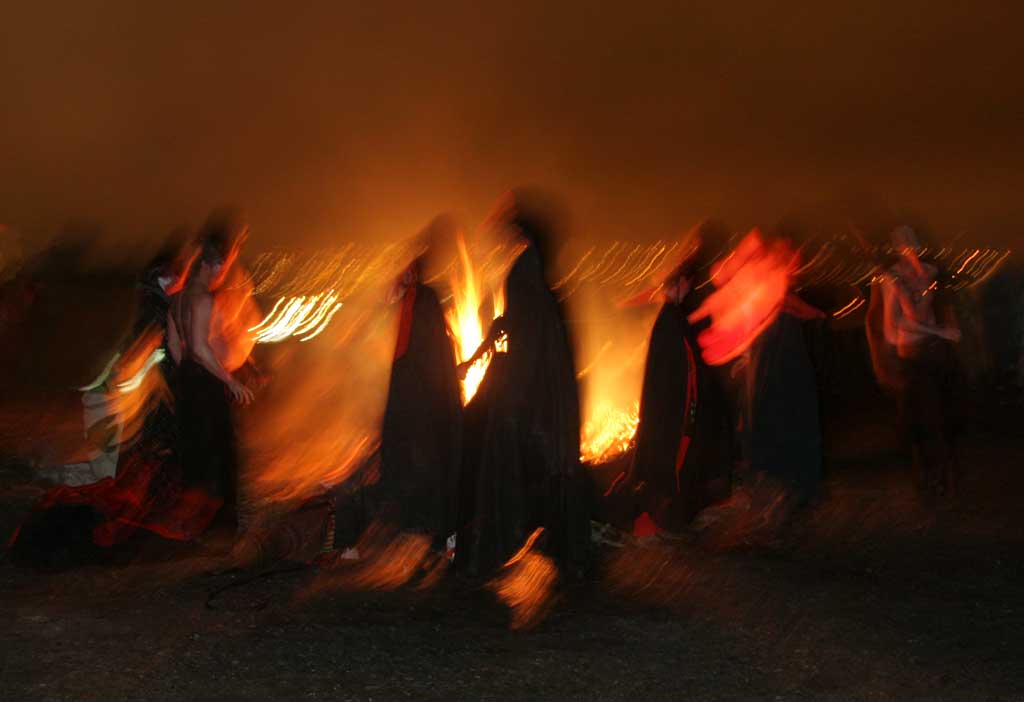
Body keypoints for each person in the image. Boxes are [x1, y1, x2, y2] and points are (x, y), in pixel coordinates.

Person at [455, 191, 588, 577]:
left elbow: (513, 326)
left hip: (524, 387)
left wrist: (485, 365)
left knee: (511, 455)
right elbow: (506, 324)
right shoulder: (535, 275)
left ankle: (512, 539)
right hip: (525, 383)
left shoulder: (527, 272)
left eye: (509, 231)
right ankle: (533, 538)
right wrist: (475, 359)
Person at [609, 241, 733, 536]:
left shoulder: (672, 317)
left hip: (670, 411)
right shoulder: (670, 320)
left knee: (670, 464)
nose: (691, 288)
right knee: (667, 465)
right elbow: (673, 372)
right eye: (688, 283)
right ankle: (660, 516)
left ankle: (667, 513)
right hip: (670, 414)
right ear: (681, 283)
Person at [371, 218, 463, 551]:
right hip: (409, 395)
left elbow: (425, 351)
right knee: (408, 455)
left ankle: (429, 523)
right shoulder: (408, 299)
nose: (402, 273)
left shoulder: (423, 300)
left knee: (423, 458)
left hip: (421, 398)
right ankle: (411, 519)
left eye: (407, 269)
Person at [167, 223, 254, 532]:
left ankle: (193, 523)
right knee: (220, 454)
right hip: (206, 382)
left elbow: (175, 346)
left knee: (195, 454)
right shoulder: (203, 300)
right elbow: (202, 347)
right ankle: (220, 531)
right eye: (219, 265)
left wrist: (187, 376)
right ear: (208, 264)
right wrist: (228, 380)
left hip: (187, 381)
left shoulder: (177, 299)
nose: (221, 272)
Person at [879, 225, 961, 496]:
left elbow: (937, 308)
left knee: (942, 416)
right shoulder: (892, 278)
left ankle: (944, 476)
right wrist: (939, 331)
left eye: (912, 240)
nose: (909, 246)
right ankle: (925, 478)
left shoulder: (931, 272)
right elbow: (896, 324)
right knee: (920, 420)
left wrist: (945, 330)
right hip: (911, 356)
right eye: (902, 242)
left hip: (935, 352)